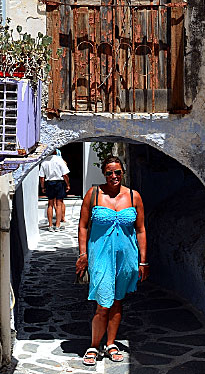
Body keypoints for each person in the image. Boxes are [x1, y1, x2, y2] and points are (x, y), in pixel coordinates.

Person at [76, 156, 149, 366]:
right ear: (104, 174)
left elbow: (141, 230)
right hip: (100, 255)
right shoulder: (94, 194)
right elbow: (83, 225)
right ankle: (93, 345)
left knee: (117, 302)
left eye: (117, 172)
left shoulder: (134, 196)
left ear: (122, 172)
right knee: (103, 302)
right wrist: (83, 254)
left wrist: (143, 261)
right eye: (109, 173)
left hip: (126, 256)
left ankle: (110, 343)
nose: (114, 176)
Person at [39, 149, 70, 232]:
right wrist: (68, 184)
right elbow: (65, 174)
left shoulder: (44, 161)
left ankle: (50, 225)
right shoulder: (60, 160)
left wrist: (42, 187)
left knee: (50, 204)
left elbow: (42, 177)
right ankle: (57, 225)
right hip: (59, 182)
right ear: (56, 152)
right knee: (59, 204)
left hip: (49, 183)